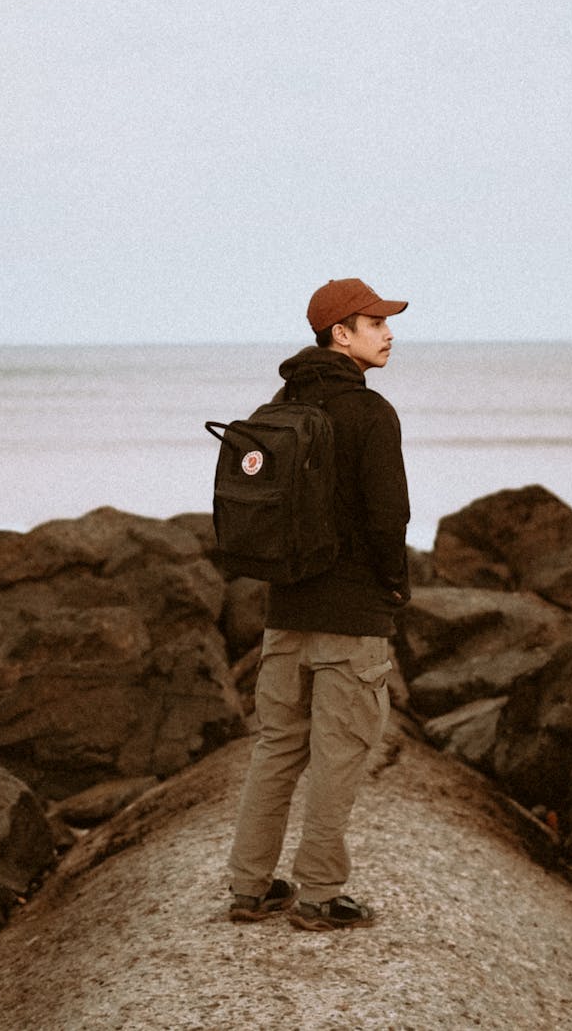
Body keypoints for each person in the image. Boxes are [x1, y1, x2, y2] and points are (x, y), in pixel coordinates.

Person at [227, 277, 411, 931]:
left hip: (286, 612)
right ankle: (319, 893)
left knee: (277, 746)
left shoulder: (276, 407)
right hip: (352, 618)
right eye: (376, 322)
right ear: (341, 334)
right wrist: (395, 587)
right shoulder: (370, 413)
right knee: (339, 753)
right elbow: (391, 518)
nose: (389, 333)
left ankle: (249, 887)